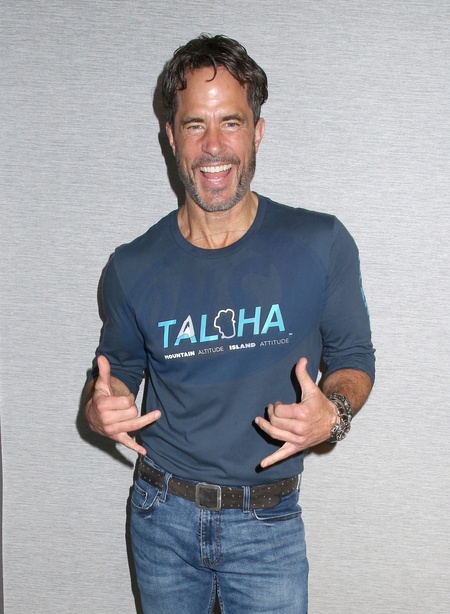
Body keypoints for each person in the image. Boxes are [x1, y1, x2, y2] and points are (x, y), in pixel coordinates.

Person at [84, 34, 375, 614]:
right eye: (195, 124)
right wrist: (102, 406)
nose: (213, 145)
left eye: (231, 123)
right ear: (171, 137)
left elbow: (353, 359)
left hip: (268, 525)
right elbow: (116, 374)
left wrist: (334, 414)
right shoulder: (130, 266)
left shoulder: (320, 244)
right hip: (160, 518)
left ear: (257, 131)